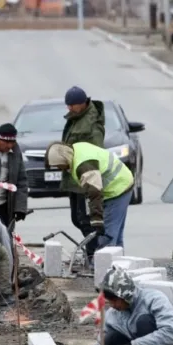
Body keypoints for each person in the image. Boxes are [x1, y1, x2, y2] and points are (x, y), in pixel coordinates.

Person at [45, 141, 133, 249]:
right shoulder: (76, 149)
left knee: (108, 237)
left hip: (118, 188)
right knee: (115, 236)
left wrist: (97, 221)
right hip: (120, 183)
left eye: (59, 165)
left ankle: (102, 264)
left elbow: (94, 192)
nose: (59, 169)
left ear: (64, 159)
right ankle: (118, 262)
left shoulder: (84, 165)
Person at [61, 86, 106, 260]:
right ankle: (92, 252)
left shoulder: (91, 123)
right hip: (74, 176)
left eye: (72, 105)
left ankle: (94, 255)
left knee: (85, 219)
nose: (69, 109)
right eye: (68, 105)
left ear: (82, 103)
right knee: (76, 218)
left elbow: (94, 151)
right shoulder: (76, 119)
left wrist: (88, 176)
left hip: (85, 175)